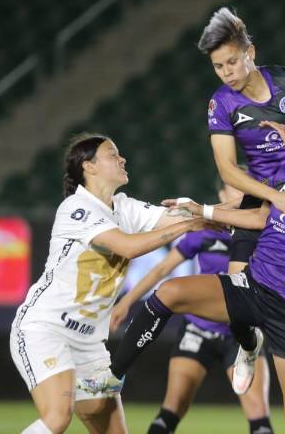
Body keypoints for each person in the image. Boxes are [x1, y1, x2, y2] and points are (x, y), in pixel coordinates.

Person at [92, 106, 285, 434]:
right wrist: (202, 210)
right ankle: (112, 376)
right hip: (255, 286)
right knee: (170, 292)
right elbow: (259, 217)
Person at [9, 133, 217, 434]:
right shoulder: (76, 208)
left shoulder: (124, 207)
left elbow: (187, 217)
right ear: (89, 166)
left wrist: (240, 208)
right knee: (58, 416)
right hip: (46, 329)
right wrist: (190, 224)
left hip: (89, 345)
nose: (122, 159)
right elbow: (128, 247)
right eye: (112, 154)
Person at [201, 6, 285, 394]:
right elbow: (228, 170)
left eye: (232, 62)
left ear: (250, 53)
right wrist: (274, 197)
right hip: (262, 194)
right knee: (234, 291)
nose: (226, 72)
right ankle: (248, 344)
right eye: (218, 66)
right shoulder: (222, 104)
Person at [109, 184, 274, 434]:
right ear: (222, 196)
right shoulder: (206, 230)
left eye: (245, 189)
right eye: (234, 189)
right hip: (198, 330)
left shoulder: (265, 231)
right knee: (170, 411)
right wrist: (126, 302)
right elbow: (161, 269)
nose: (240, 195)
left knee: (260, 421)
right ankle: (113, 375)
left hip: (241, 336)